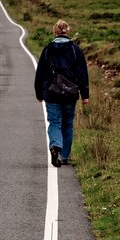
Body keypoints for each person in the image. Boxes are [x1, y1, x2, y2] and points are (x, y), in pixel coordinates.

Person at [34, 19, 89, 167]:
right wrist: (85, 95)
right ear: (67, 31)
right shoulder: (75, 50)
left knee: (54, 122)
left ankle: (55, 145)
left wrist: (39, 94)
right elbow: (82, 73)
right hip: (70, 93)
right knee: (68, 124)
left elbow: (40, 73)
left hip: (51, 93)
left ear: (55, 31)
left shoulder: (47, 49)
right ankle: (64, 156)